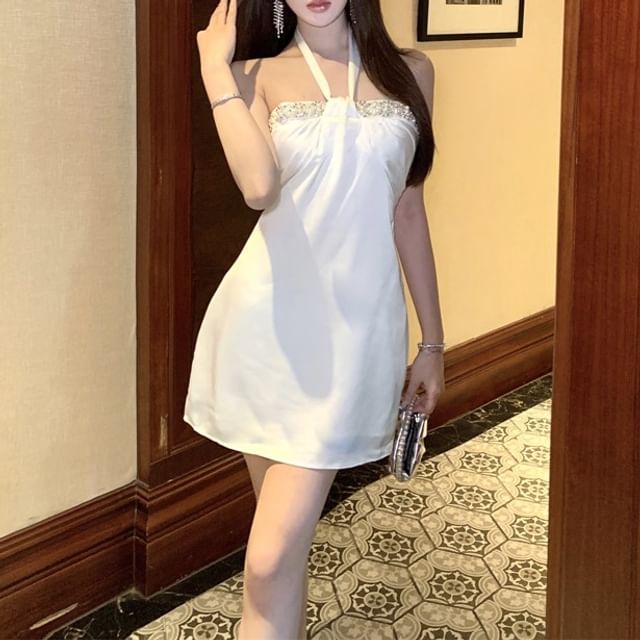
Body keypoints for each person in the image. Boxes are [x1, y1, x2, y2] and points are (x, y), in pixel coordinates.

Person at [183, 0, 445, 637]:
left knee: (268, 559)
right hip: (263, 331)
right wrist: (214, 71)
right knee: (283, 555)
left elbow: (408, 210)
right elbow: (259, 188)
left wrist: (433, 343)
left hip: (353, 341)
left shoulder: (412, 72)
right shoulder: (249, 75)